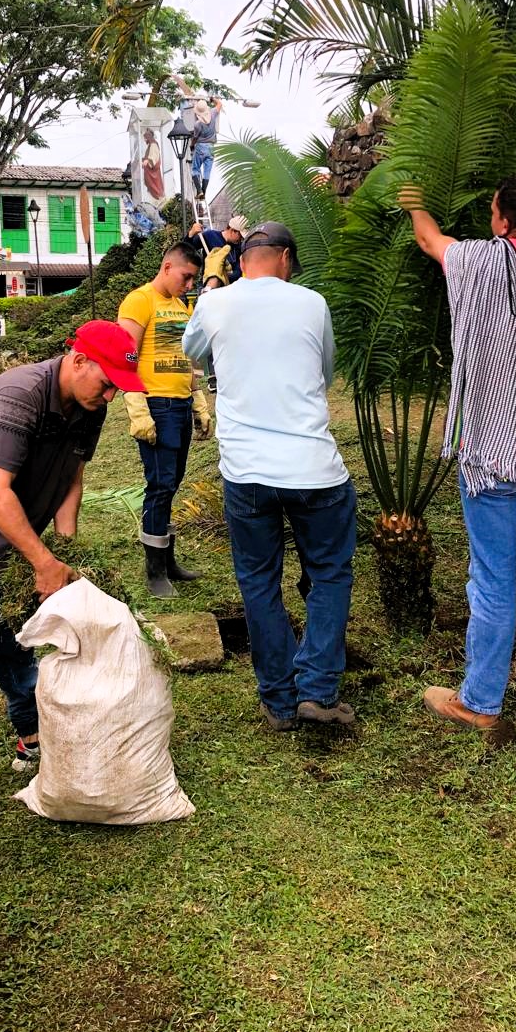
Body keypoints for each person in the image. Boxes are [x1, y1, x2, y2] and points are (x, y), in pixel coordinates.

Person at [0, 319, 145, 819]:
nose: (108, 396)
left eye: (116, 390)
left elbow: (70, 481)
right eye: (106, 383)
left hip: (14, 544)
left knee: (17, 646)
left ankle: (31, 737)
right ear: (78, 359)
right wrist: (42, 562)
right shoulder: (19, 396)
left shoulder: (87, 406)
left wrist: (65, 553)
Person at [400, 175, 516, 733]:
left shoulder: (478, 263)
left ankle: (480, 702)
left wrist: (415, 202)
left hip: (494, 444)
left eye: (492, 212)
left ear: (503, 220)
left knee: (493, 578)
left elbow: (431, 240)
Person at [182, 221, 357, 729]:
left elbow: (193, 350)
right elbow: (323, 374)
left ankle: (279, 701)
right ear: (284, 258)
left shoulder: (215, 304)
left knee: (259, 582)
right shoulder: (311, 302)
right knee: (329, 574)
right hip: (314, 469)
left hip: (248, 471)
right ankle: (318, 692)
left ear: (244, 260)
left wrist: (213, 285)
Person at [117, 239, 211, 598]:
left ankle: (168, 561)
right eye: (186, 277)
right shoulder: (139, 300)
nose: (189, 286)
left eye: (193, 281)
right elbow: (123, 357)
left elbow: (187, 356)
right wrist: (137, 407)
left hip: (180, 404)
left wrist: (198, 400)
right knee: (159, 485)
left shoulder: (180, 305)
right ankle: (154, 572)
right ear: (168, 266)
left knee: (171, 484)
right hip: (155, 406)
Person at [193, 215, 250, 288]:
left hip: (227, 289)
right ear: (232, 230)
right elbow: (188, 247)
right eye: (240, 235)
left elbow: (238, 272)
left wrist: (225, 276)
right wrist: (191, 234)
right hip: (209, 286)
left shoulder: (238, 247)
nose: (241, 239)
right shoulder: (210, 236)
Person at [190, 97, 221, 202]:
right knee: (207, 172)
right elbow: (219, 104)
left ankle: (199, 191)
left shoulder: (198, 125)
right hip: (211, 148)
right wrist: (213, 99)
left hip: (201, 147)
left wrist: (191, 145)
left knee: (195, 169)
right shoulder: (213, 113)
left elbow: (195, 138)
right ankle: (204, 192)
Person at [141, 128, 165, 202]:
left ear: (148, 137)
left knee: (155, 186)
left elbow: (153, 157)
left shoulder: (153, 144)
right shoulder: (151, 144)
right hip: (149, 170)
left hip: (153, 170)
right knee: (150, 185)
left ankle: (158, 196)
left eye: (145, 138)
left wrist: (147, 161)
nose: (145, 140)